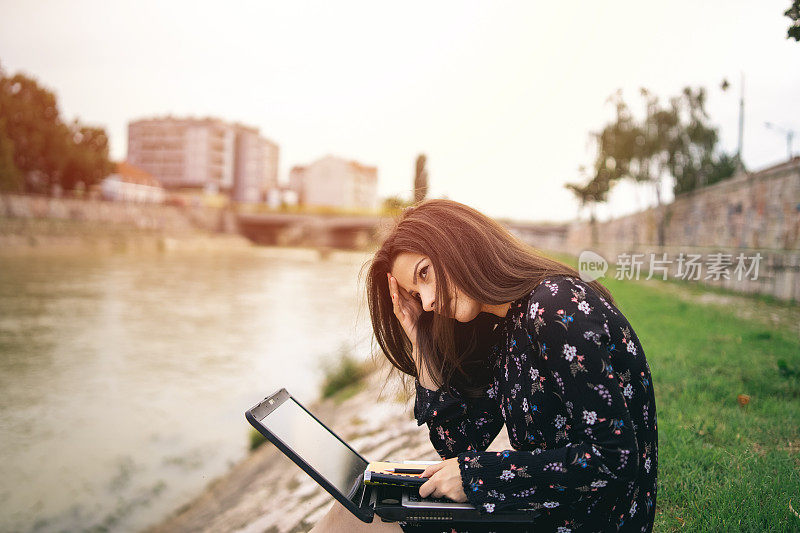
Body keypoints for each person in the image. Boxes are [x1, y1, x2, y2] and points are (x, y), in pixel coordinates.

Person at [310, 199, 657, 533]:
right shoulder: (505, 329)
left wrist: (479, 475)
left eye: (425, 274)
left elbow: (614, 459)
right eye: (416, 294)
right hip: (541, 511)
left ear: (459, 243)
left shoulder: (553, 306)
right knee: (359, 508)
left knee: (358, 521)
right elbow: (459, 445)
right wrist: (421, 347)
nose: (428, 303)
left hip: (585, 521)